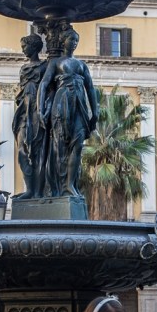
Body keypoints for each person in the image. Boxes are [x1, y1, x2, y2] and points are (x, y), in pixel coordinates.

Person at [37, 28, 98, 197]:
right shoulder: (55, 62)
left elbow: (90, 88)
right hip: (62, 102)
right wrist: (40, 109)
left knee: (77, 145)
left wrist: (96, 111)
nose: (74, 43)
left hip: (79, 104)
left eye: (76, 41)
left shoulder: (81, 65)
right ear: (63, 41)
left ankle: (70, 185)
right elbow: (43, 85)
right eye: (71, 40)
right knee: (59, 146)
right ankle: (57, 186)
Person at [13, 33, 47, 199]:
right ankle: (29, 189)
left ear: (34, 47)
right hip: (24, 112)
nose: (23, 50)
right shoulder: (23, 68)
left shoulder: (45, 67)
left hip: (38, 112)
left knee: (39, 153)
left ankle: (38, 191)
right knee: (22, 151)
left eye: (25, 46)